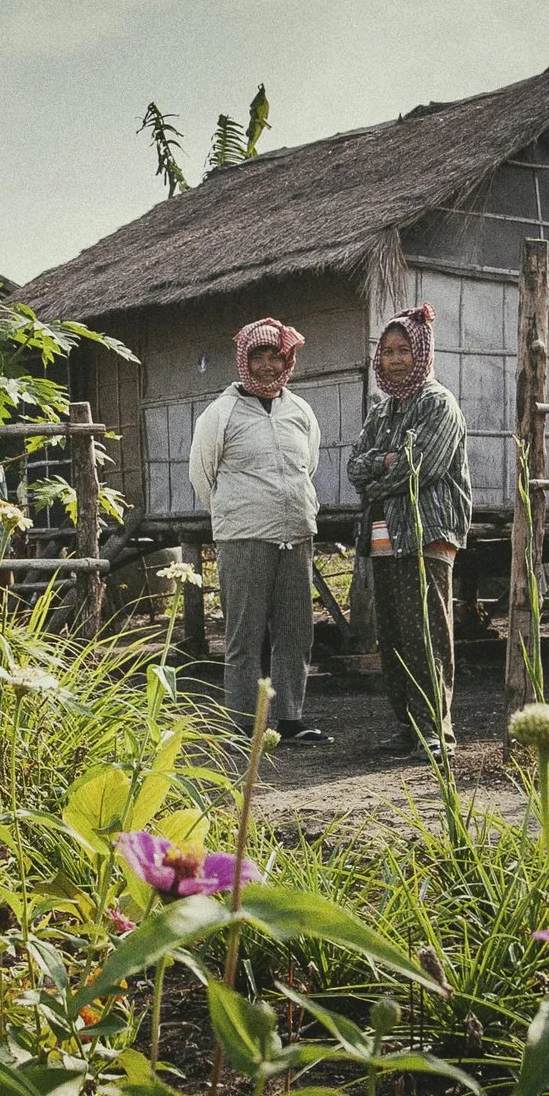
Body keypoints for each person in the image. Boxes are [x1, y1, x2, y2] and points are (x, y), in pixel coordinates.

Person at [189, 317, 330, 745]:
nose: (267, 366)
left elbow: (310, 464)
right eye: (258, 356)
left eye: (276, 356)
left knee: (295, 630)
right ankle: (242, 723)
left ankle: (290, 719)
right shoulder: (221, 413)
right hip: (243, 537)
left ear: (287, 360)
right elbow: (202, 475)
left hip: (296, 534)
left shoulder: (300, 410)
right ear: (243, 360)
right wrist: (240, 514)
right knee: (244, 634)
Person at [348, 305, 470, 761]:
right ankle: (406, 725)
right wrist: (386, 461)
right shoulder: (382, 413)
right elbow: (354, 467)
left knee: (427, 632)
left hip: (427, 532)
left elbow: (422, 467)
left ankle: (437, 730)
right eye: (387, 351)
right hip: (384, 536)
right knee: (394, 635)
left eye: (403, 350)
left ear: (421, 353)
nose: (395, 359)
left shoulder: (438, 403)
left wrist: (382, 468)